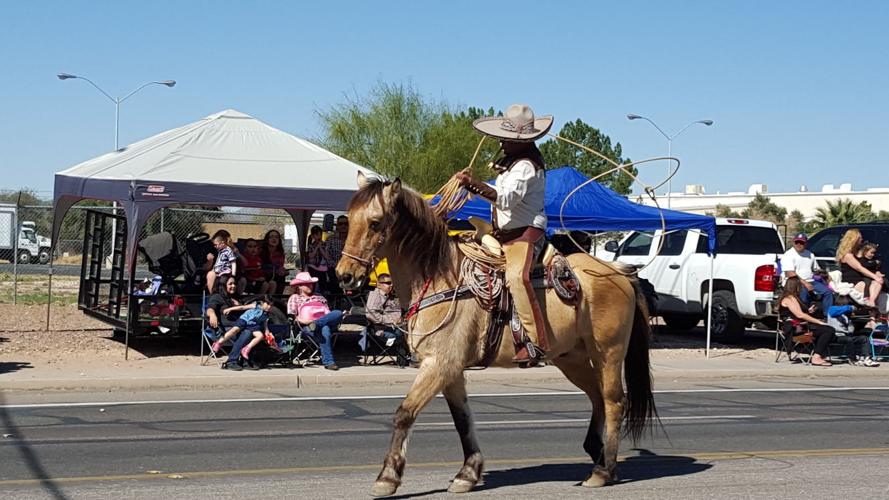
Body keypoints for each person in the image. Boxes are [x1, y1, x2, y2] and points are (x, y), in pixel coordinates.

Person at [456, 103, 552, 364]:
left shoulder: (526, 166)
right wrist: (472, 185)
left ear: (522, 141)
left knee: (516, 277)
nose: (501, 142)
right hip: (506, 233)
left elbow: (506, 200)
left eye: (507, 138)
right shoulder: (513, 163)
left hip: (526, 233)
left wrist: (473, 185)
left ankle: (535, 342)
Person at [287, 271, 344, 370]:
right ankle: (329, 362)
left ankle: (317, 324)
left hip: (322, 322)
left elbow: (328, 314)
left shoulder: (319, 297)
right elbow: (293, 318)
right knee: (325, 330)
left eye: (311, 284)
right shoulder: (295, 298)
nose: (310, 286)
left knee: (338, 313)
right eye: (307, 284)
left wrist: (317, 322)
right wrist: (308, 322)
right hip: (307, 327)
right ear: (299, 286)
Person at [779, 277, 836, 366]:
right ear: (796, 287)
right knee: (828, 330)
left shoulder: (794, 298)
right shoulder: (789, 299)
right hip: (796, 328)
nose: (802, 288)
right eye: (801, 286)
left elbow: (797, 313)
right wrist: (818, 321)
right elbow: (799, 315)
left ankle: (818, 353)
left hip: (800, 326)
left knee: (828, 330)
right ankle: (816, 357)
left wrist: (808, 311)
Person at [215, 295, 274, 370]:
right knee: (234, 330)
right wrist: (230, 309)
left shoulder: (266, 314)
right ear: (262, 302)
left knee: (260, 336)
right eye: (268, 304)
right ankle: (219, 342)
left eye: (271, 305)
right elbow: (242, 307)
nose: (269, 307)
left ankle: (246, 349)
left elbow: (265, 325)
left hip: (253, 325)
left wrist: (268, 334)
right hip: (245, 320)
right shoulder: (256, 305)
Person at [782, 233, 833, 314]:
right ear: (793, 242)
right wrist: (805, 283)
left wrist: (826, 275)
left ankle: (828, 316)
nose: (799, 244)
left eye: (801, 242)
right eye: (797, 242)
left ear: (806, 243)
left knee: (828, 292)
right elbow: (790, 274)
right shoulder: (788, 255)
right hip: (794, 282)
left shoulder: (810, 254)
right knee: (804, 293)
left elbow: (816, 269)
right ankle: (803, 316)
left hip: (810, 281)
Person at [364, 273, 409, 365]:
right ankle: (409, 358)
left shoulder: (394, 295)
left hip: (399, 327)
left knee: (410, 331)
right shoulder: (375, 295)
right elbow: (370, 314)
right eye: (387, 283)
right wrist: (391, 321)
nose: (391, 285)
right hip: (383, 330)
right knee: (403, 336)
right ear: (379, 284)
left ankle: (405, 359)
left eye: (392, 283)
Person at [836, 229, 884, 307]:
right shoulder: (847, 255)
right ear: (853, 239)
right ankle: (870, 304)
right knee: (871, 286)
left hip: (864, 278)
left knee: (878, 283)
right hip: (853, 280)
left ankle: (871, 302)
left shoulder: (858, 252)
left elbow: (867, 263)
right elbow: (859, 268)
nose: (861, 239)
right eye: (859, 238)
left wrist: (877, 273)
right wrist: (875, 277)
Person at [306, 225, 333, 293]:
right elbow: (311, 256)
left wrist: (321, 247)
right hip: (313, 267)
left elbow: (327, 256)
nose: (318, 236)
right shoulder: (310, 245)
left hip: (322, 269)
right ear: (312, 236)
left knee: (322, 286)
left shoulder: (325, 244)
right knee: (313, 285)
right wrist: (317, 247)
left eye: (320, 234)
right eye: (316, 235)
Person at [261, 230, 288, 295]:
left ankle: (277, 299)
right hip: (263, 274)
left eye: (276, 237)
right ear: (267, 239)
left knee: (281, 276)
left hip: (275, 275)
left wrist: (282, 270)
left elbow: (280, 266)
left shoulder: (280, 253)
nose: (274, 239)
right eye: (271, 237)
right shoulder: (261, 251)